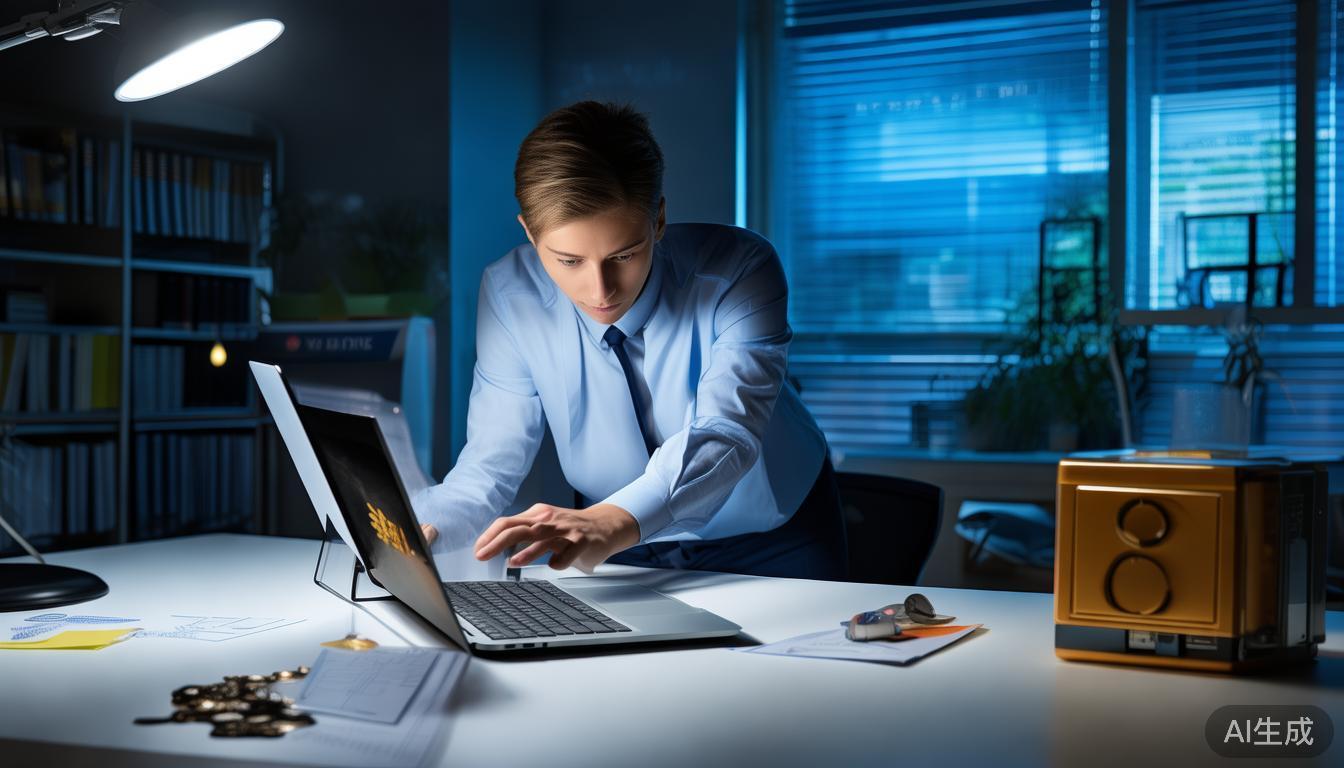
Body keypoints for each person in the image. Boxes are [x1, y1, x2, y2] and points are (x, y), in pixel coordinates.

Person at [415, 101, 847, 580]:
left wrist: (612, 520)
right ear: (529, 233)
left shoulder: (739, 269)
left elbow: (725, 432)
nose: (600, 291)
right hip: (615, 539)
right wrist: (417, 526)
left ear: (658, 220)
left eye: (624, 254)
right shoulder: (508, 293)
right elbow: (489, 465)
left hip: (769, 533)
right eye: (569, 261)